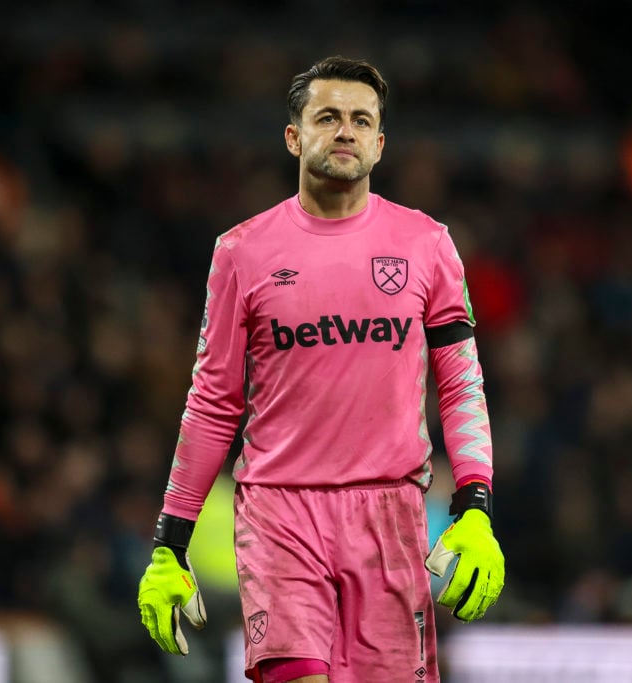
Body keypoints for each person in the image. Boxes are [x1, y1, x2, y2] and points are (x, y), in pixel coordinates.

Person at [137, 56, 505, 683]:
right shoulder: (241, 253)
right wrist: (170, 542)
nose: (345, 131)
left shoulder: (427, 245)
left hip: (391, 513)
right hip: (280, 510)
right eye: (328, 117)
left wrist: (475, 505)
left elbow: (460, 382)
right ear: (293, 136)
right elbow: (213, 400)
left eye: (362, 120)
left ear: (380, 144)